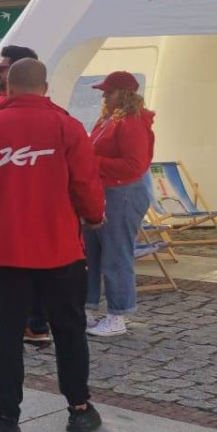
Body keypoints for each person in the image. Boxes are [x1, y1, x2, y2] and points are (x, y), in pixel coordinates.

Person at [0, 58, 106, 432]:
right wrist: (93, 217)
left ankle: (7, 416)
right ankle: (80, 409)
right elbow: (86, 184)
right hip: (60, 249)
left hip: (8, 250)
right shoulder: (67, 126)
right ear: (45, 86)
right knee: (69, 330)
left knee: (7, 335)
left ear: (9, 87)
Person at [0, 43, 53, 351]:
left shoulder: (11, 111)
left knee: (12, 273)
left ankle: (14, 331)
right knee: (28, 270)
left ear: (17, 72)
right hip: (18, 202)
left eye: (2, 69)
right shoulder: (6, 105)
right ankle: (34, 326)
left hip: (14, 203)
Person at [85, 72, 155, 338]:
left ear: (123, 94)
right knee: (92, 252)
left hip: (122, 192)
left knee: (116, 255)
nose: (104, 96)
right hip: (103, 191)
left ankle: (118, 314)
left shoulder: (132, 123)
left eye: (109, 91)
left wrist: (93, 163)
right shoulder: (110, 119)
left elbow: (135, 166)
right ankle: (88, 308)